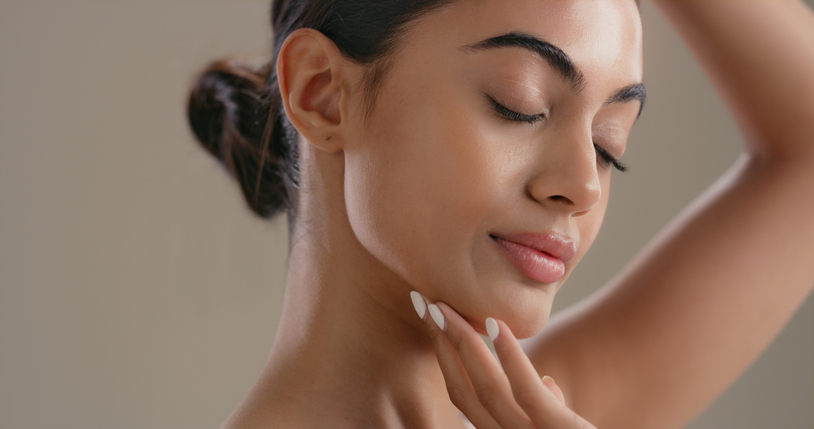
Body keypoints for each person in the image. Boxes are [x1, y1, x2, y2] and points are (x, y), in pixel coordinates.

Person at [186, 1, 814, 428]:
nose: (582, 187)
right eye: (521, 105)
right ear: (321, 93)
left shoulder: (553, 405)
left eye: (608, 144)